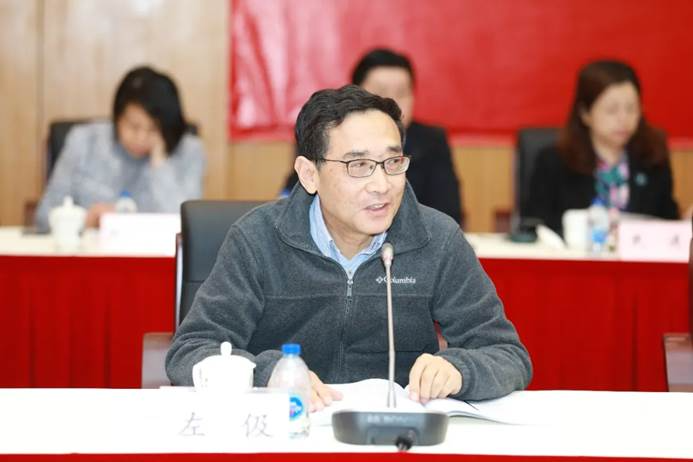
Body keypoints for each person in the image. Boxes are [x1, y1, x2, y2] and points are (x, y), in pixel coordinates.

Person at [166, 85, 531, 409]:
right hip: (290, 431)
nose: (381, 185)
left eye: (392, 162)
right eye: (359, 165)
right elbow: (191, 350)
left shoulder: (437, 239)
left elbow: (507, 355)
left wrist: (459, 370)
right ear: (309, 174)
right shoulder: (257, 239)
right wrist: (268, 373)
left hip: (394, 437)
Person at [283, 48, 463, 225]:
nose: (392, 102)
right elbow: (292, 199)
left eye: (402, 93)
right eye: (380, 92)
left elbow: (449, 211)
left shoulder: (432, 142)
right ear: (356, 95)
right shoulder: (325, 133)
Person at [35, 66, 206, 231]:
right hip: (93, 249)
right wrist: (85, 221)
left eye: (153, 129)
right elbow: (43, 217)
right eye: (133, 126)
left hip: (155, 251)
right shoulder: (85, 141)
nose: (141, 138)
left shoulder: (189, 151)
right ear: (117, 117)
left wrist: (160, 163)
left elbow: (188, 227)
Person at [528, 60, 679, 236]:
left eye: (631, 108)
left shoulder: (653, 156)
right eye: (611, 110)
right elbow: (537, 226)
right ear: (585, 113)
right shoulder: (554, 162)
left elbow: (668, 221)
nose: (623, 119)